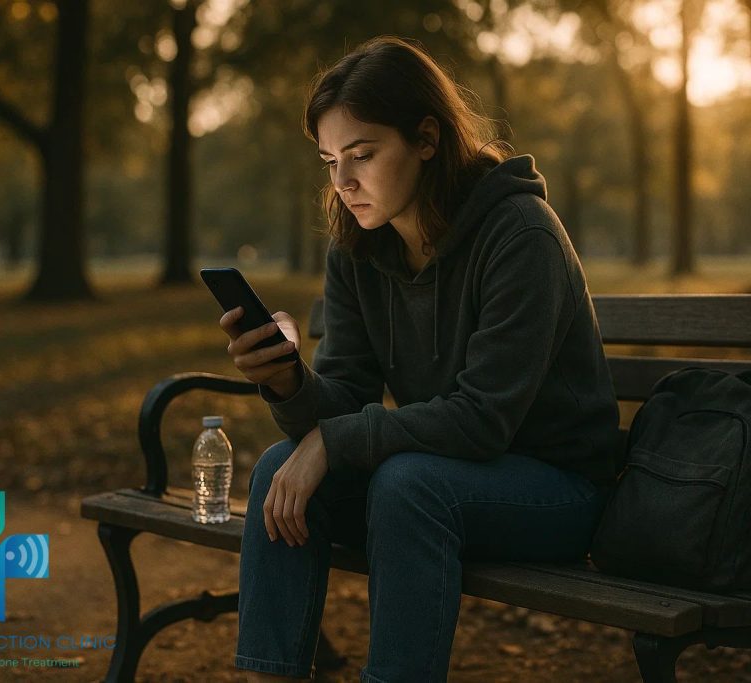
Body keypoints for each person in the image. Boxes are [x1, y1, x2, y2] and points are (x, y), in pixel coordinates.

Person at [217, 36, 620, 683]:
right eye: (329, 161)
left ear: (427, 138)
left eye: (363, 154)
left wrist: (330, 440)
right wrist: (287, 380)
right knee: (276, 468)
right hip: (441, 476)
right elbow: (345, 394)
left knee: (411, 484)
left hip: (558, 488)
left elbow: (483, 419)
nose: (344, 182)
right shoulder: (358, 247)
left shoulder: (521, 234)